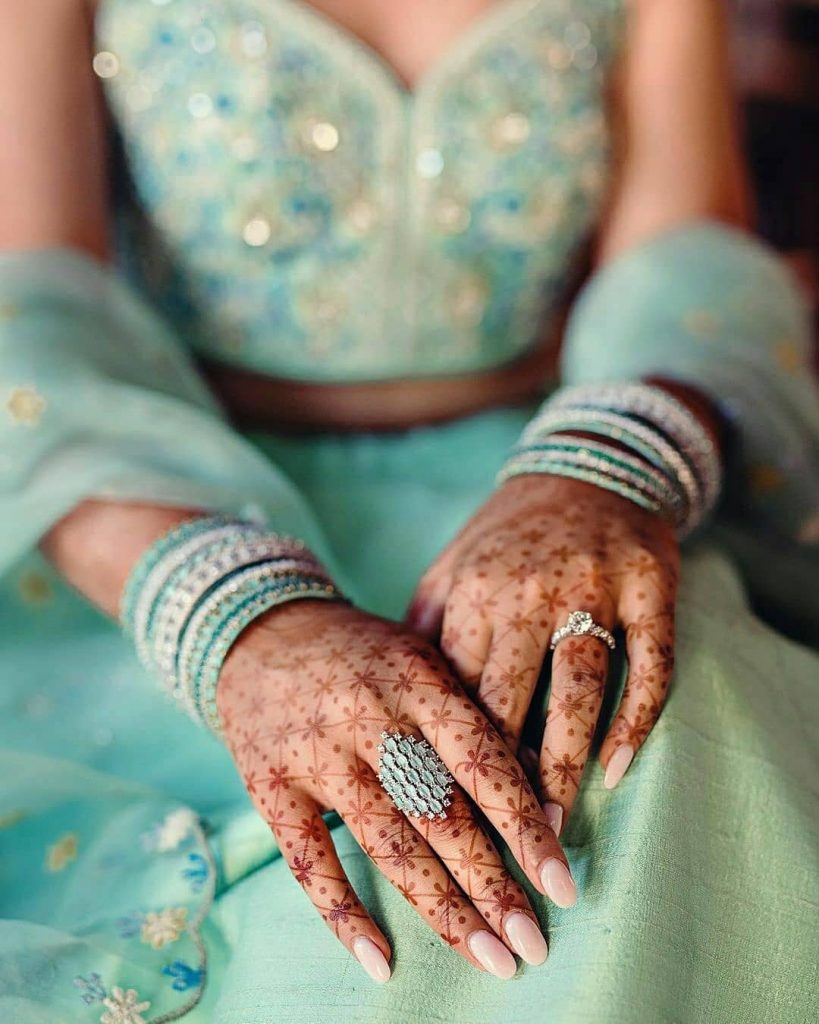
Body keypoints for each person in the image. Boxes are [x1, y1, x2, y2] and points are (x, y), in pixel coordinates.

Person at [0, 1, 817, 1022]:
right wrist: (232, 617)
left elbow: (686, 237)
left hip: (540, 486)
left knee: (647, 731)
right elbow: (27, 296)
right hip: (164, 495)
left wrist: (610, 462)